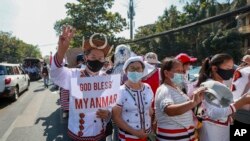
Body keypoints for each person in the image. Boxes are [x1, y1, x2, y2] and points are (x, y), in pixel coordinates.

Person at [51, 25, 112, 141]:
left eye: (101, 58)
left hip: (100, 133)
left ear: (104, 60)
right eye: (93, 56)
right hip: (79, 135)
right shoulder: (74, 75)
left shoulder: (107, 78)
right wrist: (61, 51)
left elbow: (110, 105)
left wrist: (108, 114)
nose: (97, 60)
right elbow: (55, 74)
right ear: (85, 57)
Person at [194, 53, 250, 141]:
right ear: (214, 68)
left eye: (232, 68)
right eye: (228, 68)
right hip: (213, 132)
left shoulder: (220, 84)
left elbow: (224, 104)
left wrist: (243, 99)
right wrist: (240, 102)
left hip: (221, 129)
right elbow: (214, 113)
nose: (231, 71)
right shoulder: (209, 86)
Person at [154, 57, 205, 141]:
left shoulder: (177, 88)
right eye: (178, 71)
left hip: (185, 135)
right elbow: (169, 110)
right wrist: (193, 102)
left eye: (182, 71)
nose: (181, 74)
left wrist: (197, 103)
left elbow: (189, 108)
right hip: (173, 137)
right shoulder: (164, 90)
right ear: (166, 73)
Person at [112, 56, 154, 141]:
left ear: (143, 71)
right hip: (128, 137)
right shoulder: (120, 91)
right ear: (126, 71)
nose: (135, 71)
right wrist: (135, 132)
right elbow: (116, 117)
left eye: (138, 68)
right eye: (132, 68)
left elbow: (149, 111)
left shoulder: (147, 88)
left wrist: (151, 126)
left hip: (146, 135)